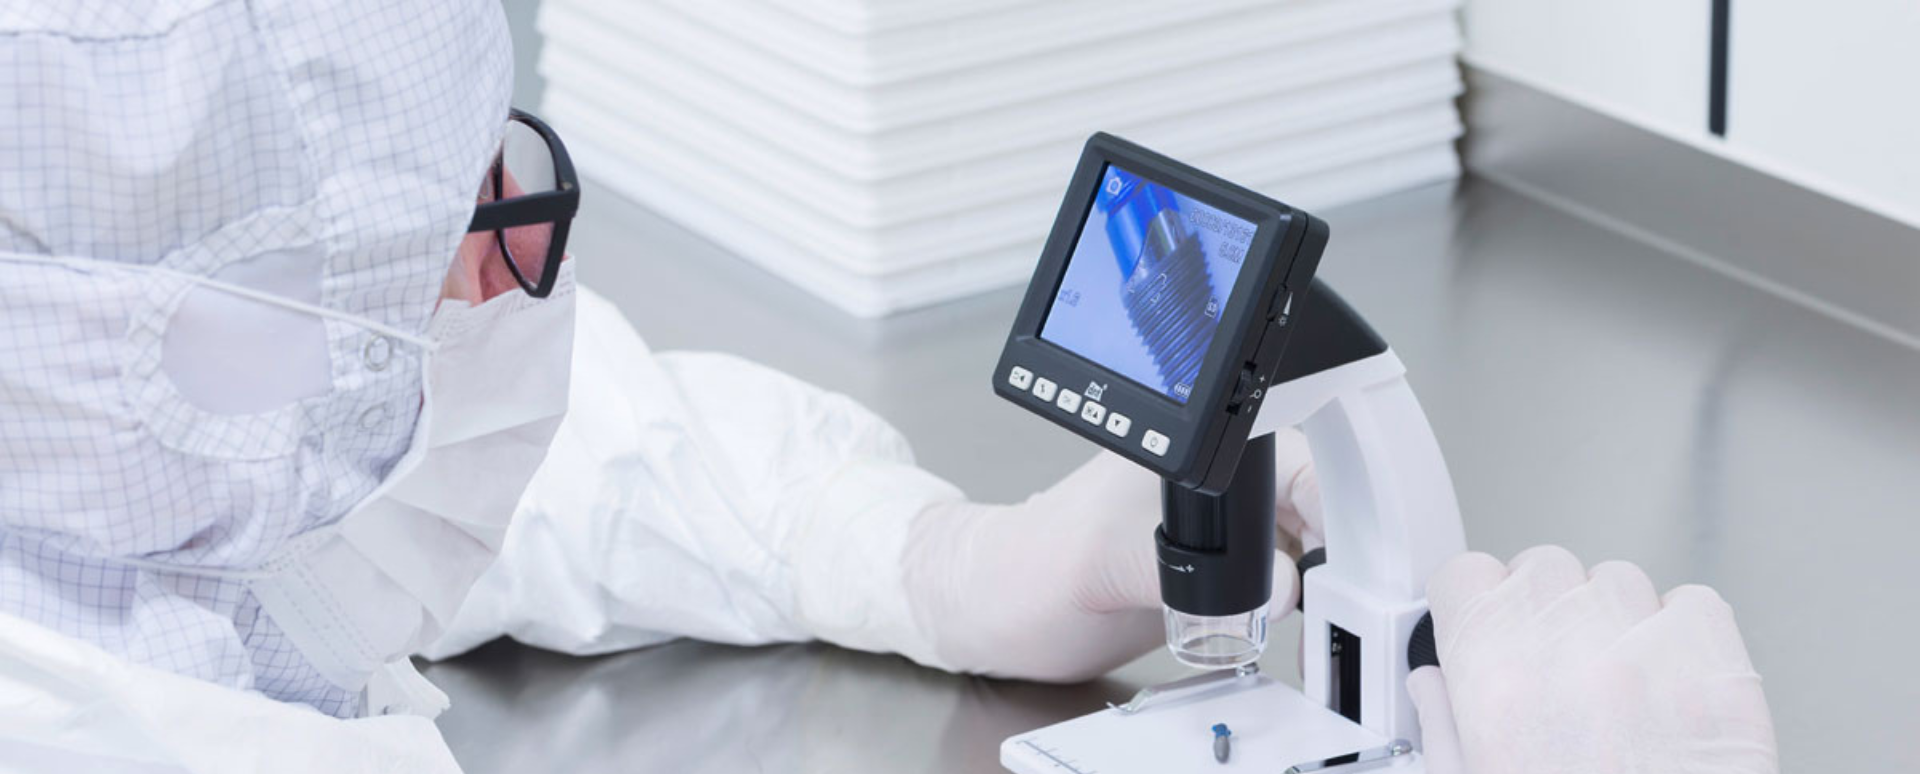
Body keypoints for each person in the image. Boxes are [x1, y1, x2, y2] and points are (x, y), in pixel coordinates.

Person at [0, 2, 1775, 773]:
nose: (508, 278)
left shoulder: (101, 494)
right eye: (452, 241)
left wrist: (922, 553)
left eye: (509, 179)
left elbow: (523, 465)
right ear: (148, 365)